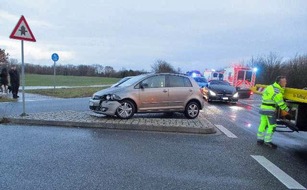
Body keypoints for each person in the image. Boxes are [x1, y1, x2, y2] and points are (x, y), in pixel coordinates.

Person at [256, 76, 292, 149]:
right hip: (270, 110)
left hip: (263, 108)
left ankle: (260, 140)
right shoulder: (277, 91)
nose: (286, 83)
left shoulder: (270, 87)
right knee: (272, 126)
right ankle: (268, 141)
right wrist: (289, 111)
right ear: (279, 82)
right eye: (284, 82)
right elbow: (281, 103)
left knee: (263, 124)